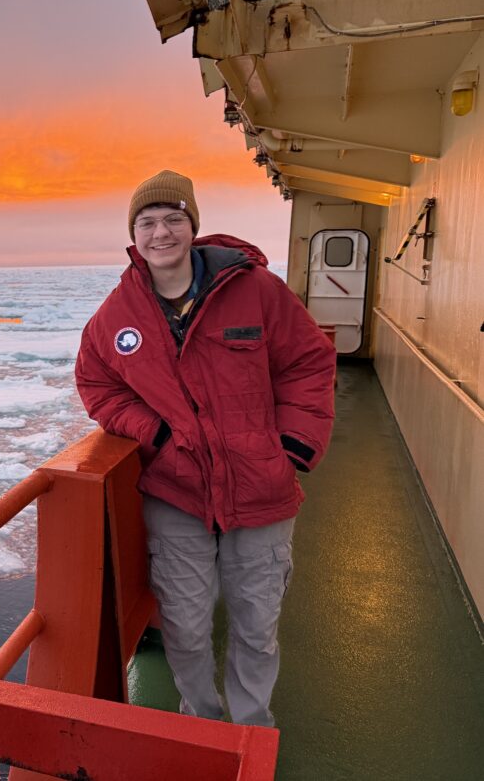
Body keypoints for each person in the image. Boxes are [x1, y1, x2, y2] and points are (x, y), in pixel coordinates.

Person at [75, 169, 335, 727]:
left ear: (193, 226)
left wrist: (293, 443)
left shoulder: (254, 289)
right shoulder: (117, 315)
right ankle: (201, 722)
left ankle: (249, 727)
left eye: (173, 219)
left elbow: (308, 362)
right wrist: (155, 432)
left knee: (255, 626)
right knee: (187, 629)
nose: (160, 232)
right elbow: (97, 385)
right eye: (147, 222)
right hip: (176, 492)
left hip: (260, 488)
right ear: (133, 234)